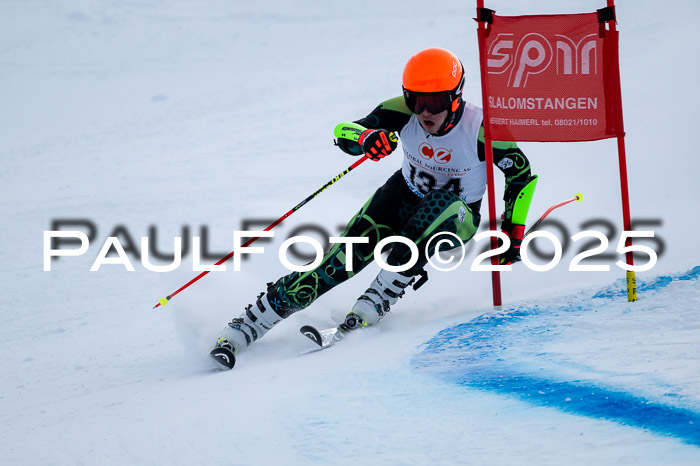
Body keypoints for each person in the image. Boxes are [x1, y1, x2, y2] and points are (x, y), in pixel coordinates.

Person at [213, 47, 537, 359]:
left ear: (456, 97)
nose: (425, 112)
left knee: (439, 205)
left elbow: (522, 176)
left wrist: (513, 232)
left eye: (436, 101)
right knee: (337, 263)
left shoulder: (482, 129)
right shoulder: (400, 111)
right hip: (404, 196)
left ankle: (377, 299)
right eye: (417, 100)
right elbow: (344, 132)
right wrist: (366, 139)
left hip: (457, 216)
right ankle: (250, 323)